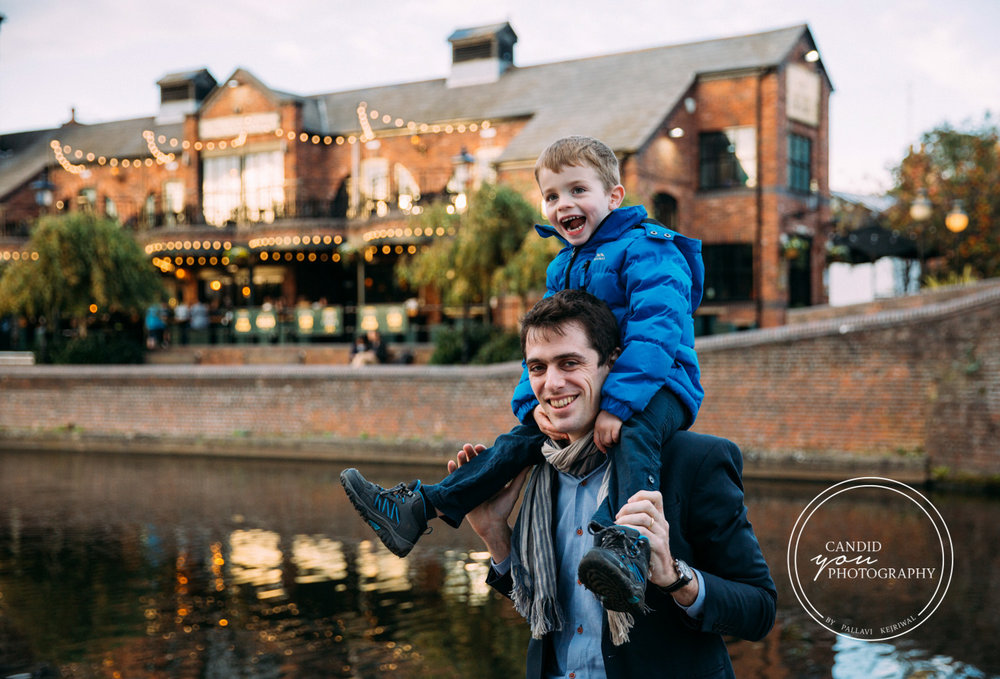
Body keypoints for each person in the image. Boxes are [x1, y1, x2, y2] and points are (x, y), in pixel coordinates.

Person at [341, 135, 704, 614]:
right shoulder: (563, 264)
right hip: (598, 388)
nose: (563, 204)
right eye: (552, 196)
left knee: (633, 435)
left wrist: (618, 404)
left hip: (660, 383)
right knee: (517, 441)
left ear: (614, 197)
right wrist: (533, 405)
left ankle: (627, 549)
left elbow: (657, 330)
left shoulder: (648, 249)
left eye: (578, 190)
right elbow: (543, 348)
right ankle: (418, 508)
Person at [452, 291, 775, 677]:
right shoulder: (541, 466)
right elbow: (548, 609)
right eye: (537, 368)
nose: (552, 383)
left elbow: (759, 611)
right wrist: (495, 537)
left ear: (612, 362)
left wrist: (674, 577)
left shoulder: (695, 461)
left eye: (569, 363)